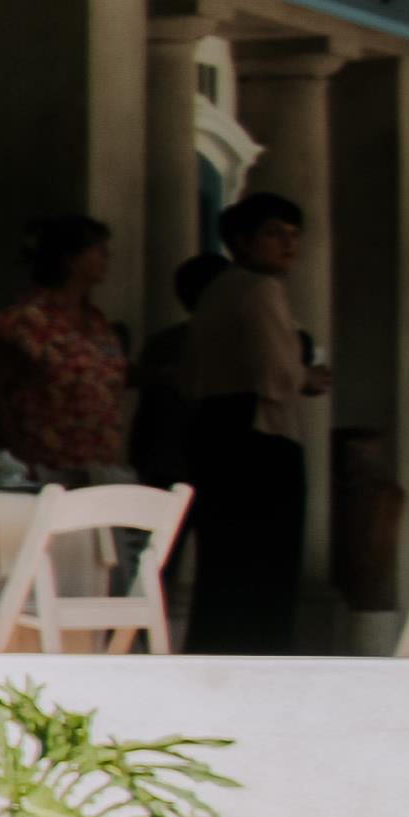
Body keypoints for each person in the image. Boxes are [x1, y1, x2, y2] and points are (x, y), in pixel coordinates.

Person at [183, 189, 320, 653]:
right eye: (274, 234)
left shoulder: (217, 290)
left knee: (223, 566)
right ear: (241, 241)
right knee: (265, 567)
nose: (288, 245)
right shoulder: (261, 289)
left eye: (294, 235)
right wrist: (308, 374)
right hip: (259, 439)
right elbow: (277, 374)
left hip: (215, 433)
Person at [0, 215, 128, 485]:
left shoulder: (96, 322)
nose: (107, 257)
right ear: (71, 259)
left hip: (97, 468)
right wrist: (18, 457)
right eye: (98, 250)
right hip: (46, 468)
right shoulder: (24, 322)